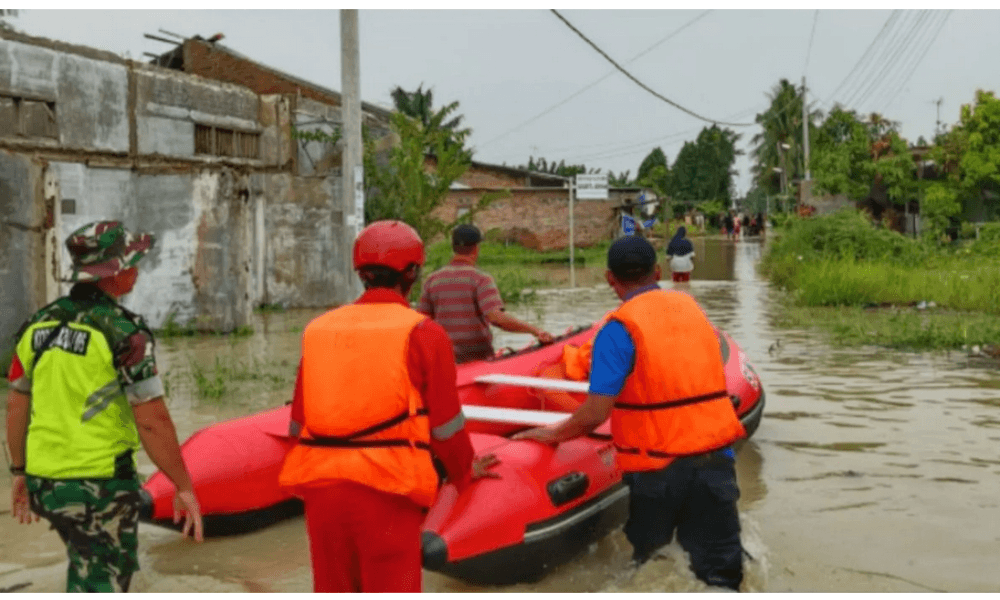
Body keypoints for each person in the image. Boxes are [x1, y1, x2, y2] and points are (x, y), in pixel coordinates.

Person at [278, 220, 501, 593]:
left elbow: (297, 424)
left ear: (361, 272)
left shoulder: (318, 329)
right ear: (413, 272)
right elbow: (446, 426)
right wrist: (464, 474)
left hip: (321, 494)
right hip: (387, 492)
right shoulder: (424, 333)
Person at [513, 235, 746, 591]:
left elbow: (594, 413)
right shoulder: (693, 310)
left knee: (653, 563)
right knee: (721, 571)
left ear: (610, 279)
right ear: (657, 271)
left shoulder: (618, 330)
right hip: (715, 460)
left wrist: (550, 434)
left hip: (658, 472)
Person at [6, 221, 203, 593]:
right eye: (131, 262)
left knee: (89, 568)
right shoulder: (125, 333)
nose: (137, 270)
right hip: (99, 487)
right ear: (113, 273)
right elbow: (152, 422)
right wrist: (183, 486)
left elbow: (16, 407)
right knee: (104, 582)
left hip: (47, 485)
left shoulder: (37, 325)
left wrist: (19, 472)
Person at [418, 224, 554, 363]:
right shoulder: (480, 279)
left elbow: (421, 323)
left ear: (453, 247)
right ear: (476, 249)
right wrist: (535, 330)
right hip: (478, 360)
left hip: (444, 360)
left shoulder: (432, 280)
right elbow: (497, 318)